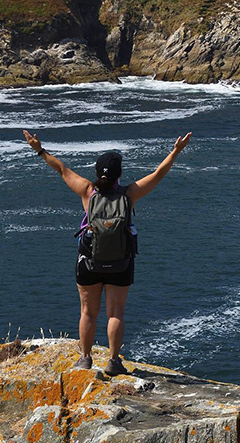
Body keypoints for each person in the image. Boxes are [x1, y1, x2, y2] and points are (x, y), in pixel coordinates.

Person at [22, 129, 192, 375]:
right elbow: (158, 174)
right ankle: (113, 361)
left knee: (88, 312)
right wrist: (176, 151)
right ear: (119, 174)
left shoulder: (87, 191)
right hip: (120, 262)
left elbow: (61, 169)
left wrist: (39, 149)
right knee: (116, 313)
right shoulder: (129, 194)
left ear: (96, 172)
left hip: (89, 261)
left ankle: (85, 359)